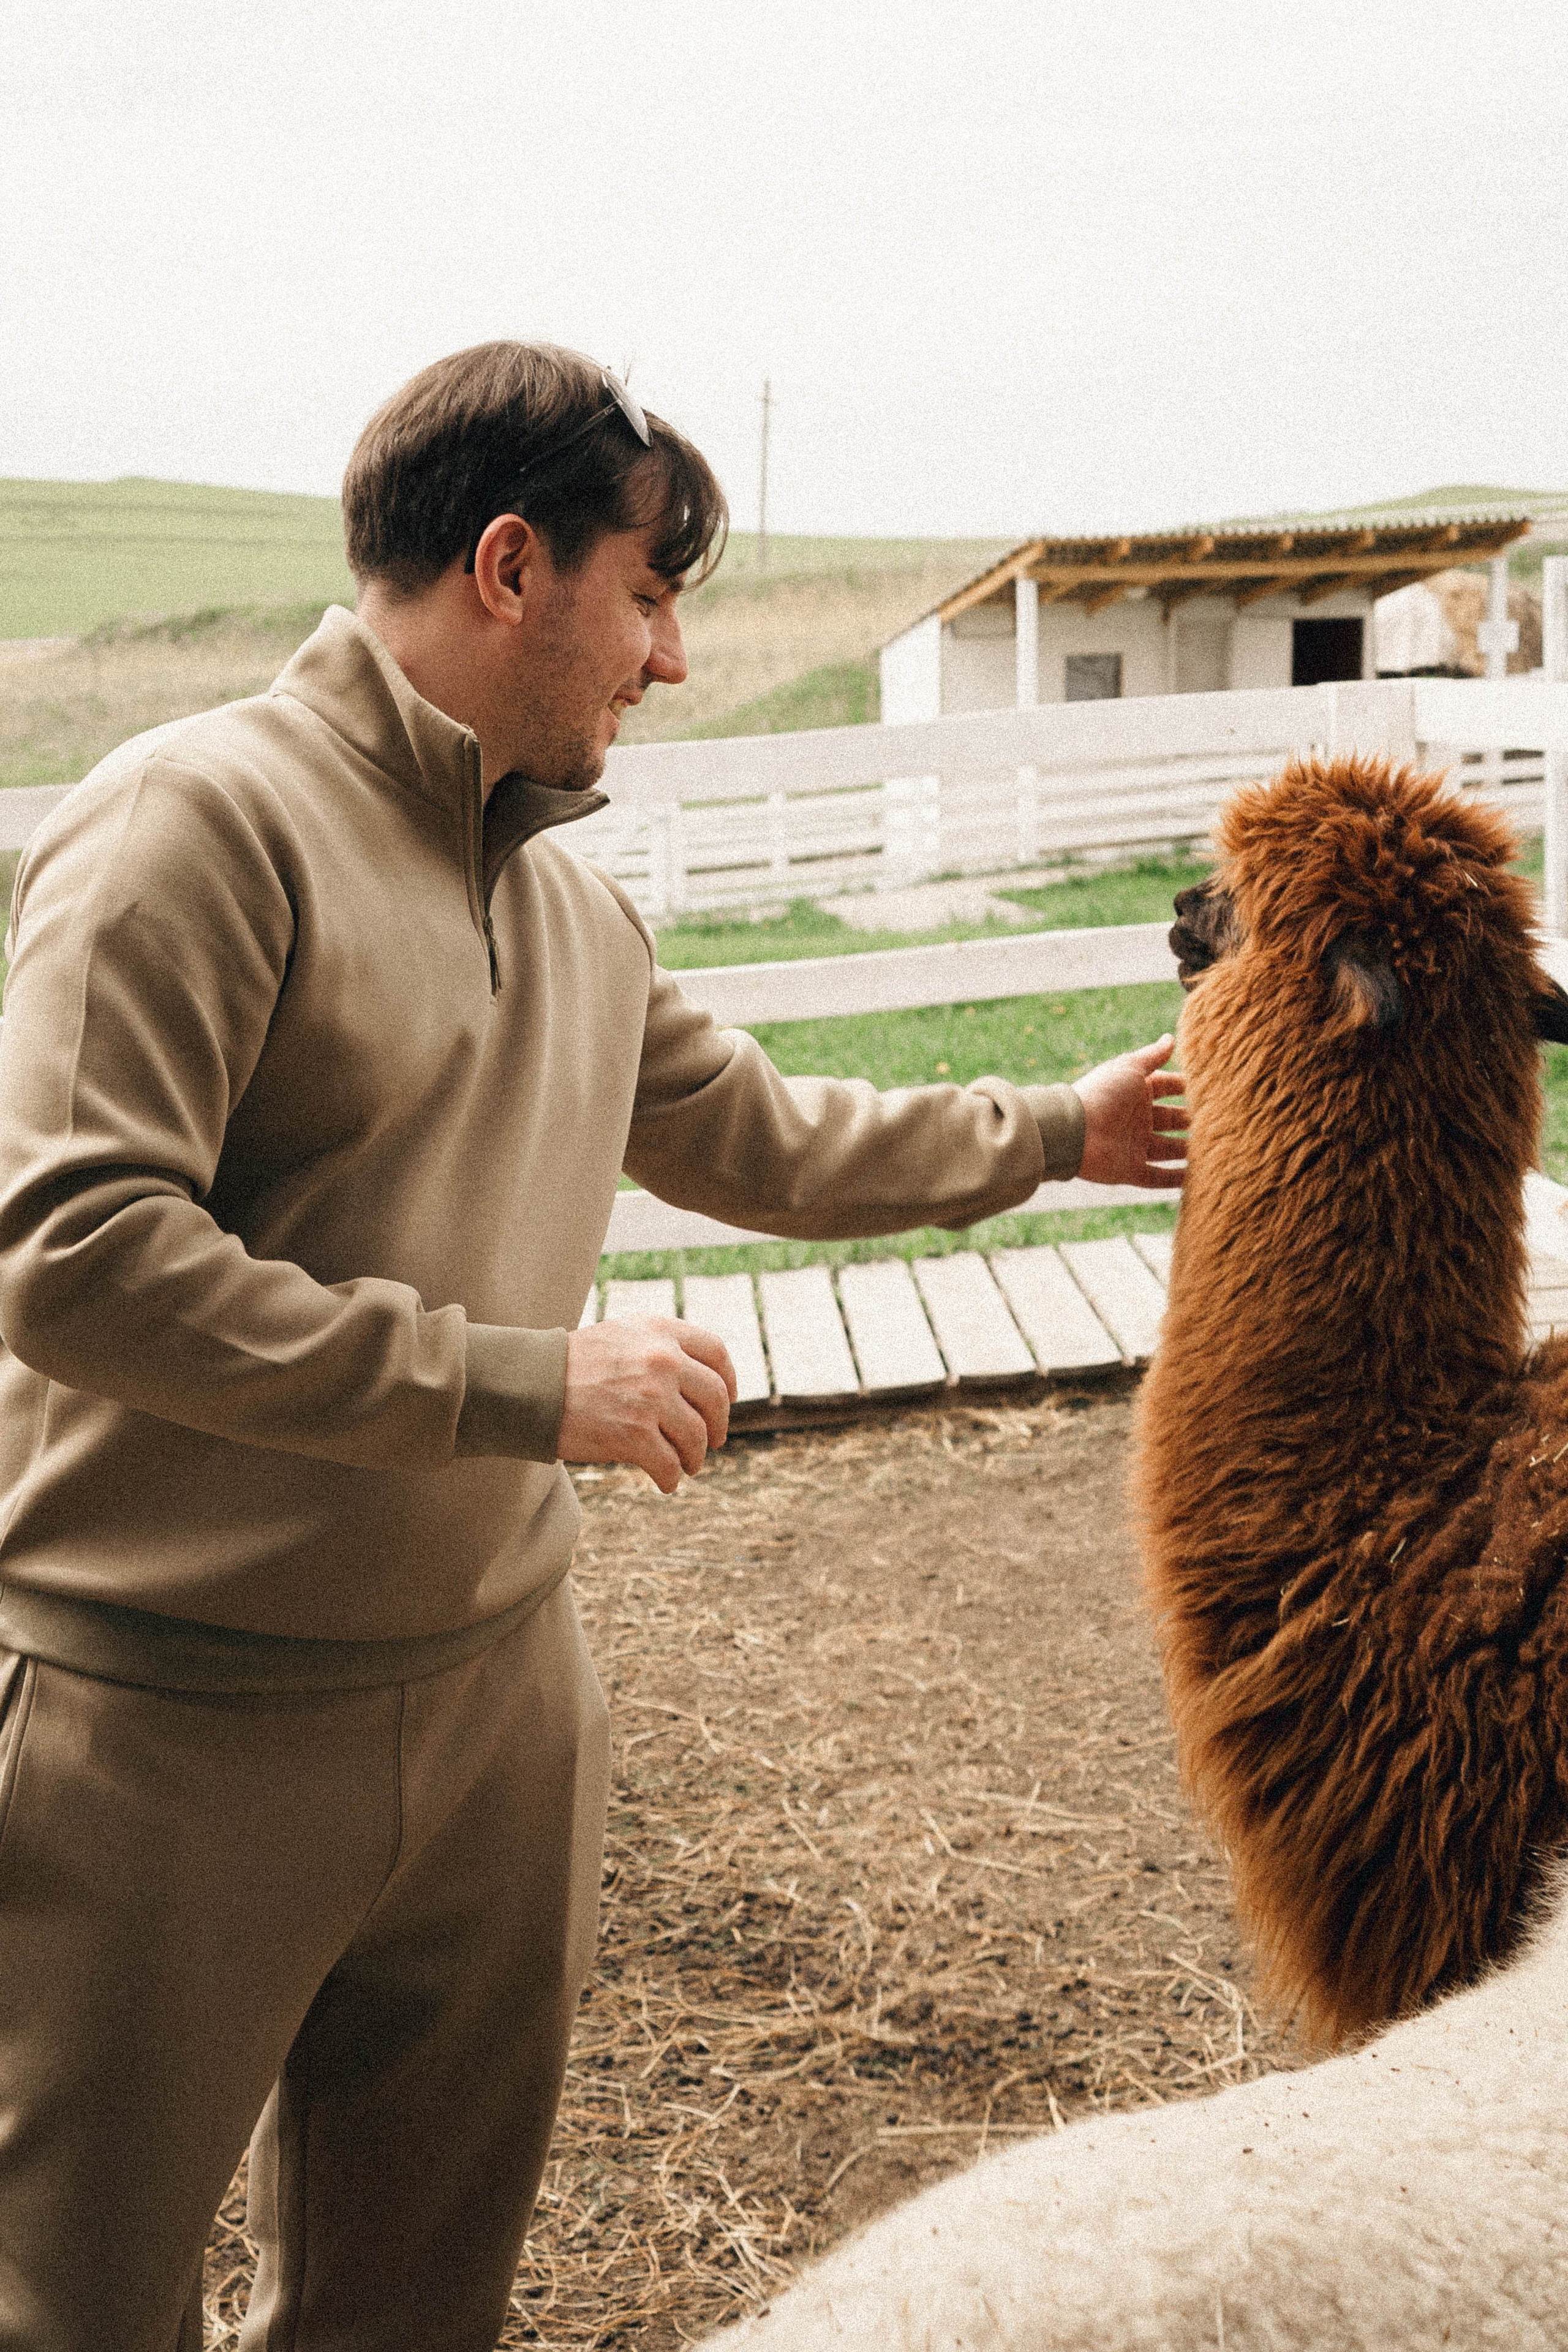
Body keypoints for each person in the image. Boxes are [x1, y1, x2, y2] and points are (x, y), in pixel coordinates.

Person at [0, 342, 1185, 2351]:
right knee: (73, 2307)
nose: (673, 659)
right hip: (170, 1719)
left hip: (501, 1714)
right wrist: (528, 1383)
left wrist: (1059, 1132)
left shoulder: (573, 914)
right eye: (650, 596)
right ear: (507, 567)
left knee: (414, 2311)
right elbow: (78, 1255)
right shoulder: (191, 825)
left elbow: (770, 1136)